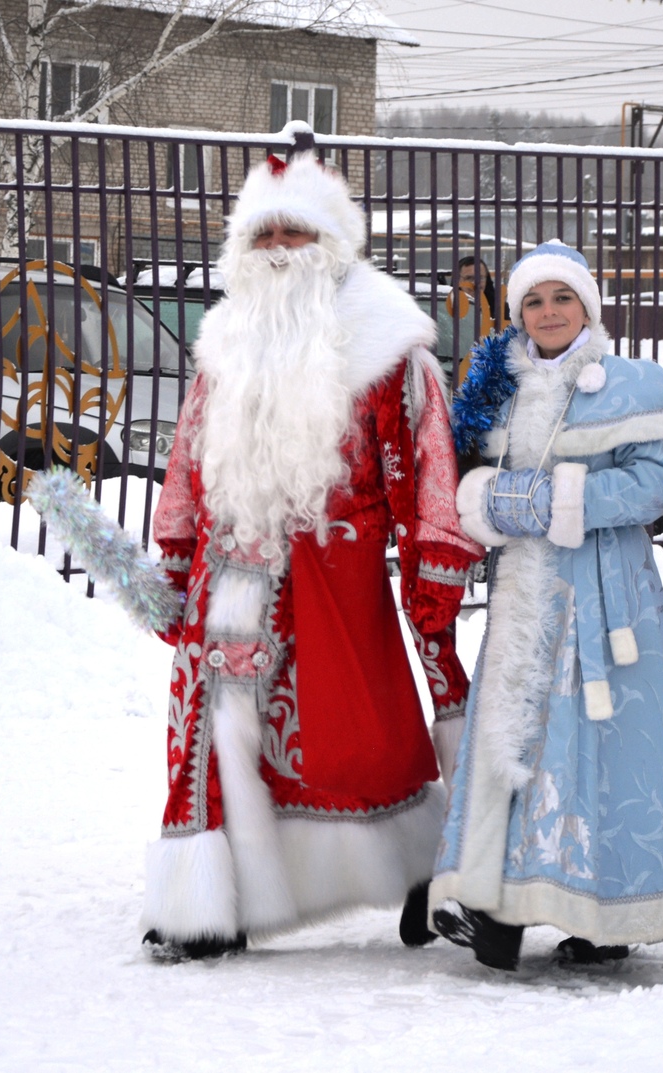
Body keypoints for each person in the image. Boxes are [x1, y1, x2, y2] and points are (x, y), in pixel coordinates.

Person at [140, 155, 483, 959]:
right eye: (264, 232)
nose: (280, 245)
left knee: (365, 738)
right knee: (213, 735)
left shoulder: (386, 342)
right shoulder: (226, 337)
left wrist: (432, 561)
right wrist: (178, 548)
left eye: (296, 229)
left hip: (339, 574)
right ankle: (207, 904)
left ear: (331, 241)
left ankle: (417, 868)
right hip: (230, 579)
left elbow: (428, 459)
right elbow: (190, 452)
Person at [429, 240, 663, 972]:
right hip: (526, 589)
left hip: (604, 596)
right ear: (518, 311)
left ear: (587, 306)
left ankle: (605, 915)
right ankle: (496, 905)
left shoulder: (632, 381)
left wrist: (544, 498)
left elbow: (651, 485)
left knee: (599, 752)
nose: (548, 312)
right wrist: (492, 500)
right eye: (534, 300)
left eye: (562, 298)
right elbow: (467, 480)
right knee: (513, 741)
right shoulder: (498, 387)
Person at [435, 255, 502, 387]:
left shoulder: (502, 310)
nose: (475, 283)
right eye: (469, 278)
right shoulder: (443, 312)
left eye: (480, 278)